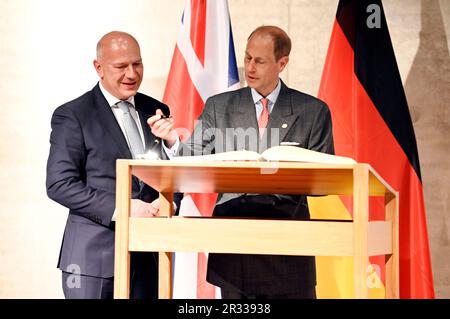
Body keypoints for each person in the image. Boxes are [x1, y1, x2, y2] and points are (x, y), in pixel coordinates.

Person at [149, 25, 334, 299]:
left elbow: (326, 179)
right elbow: (193, 159)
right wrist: (172, 141)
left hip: (287, 241)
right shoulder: (218, 106)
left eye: (260, 61)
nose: (250, 67)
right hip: (234, 240)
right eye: (247, 58)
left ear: (282, 63)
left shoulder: (313, 110)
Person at [46, 31, 175, 299]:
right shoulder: (73, 115)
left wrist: (174, 150)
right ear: (99, 68)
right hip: (92, 262)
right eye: (121, 66)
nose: (131, 73)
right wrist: (123, 208)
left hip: (149, 257)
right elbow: (59, 184)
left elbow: (172, 172)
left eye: (137, 64)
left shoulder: (156, 109)